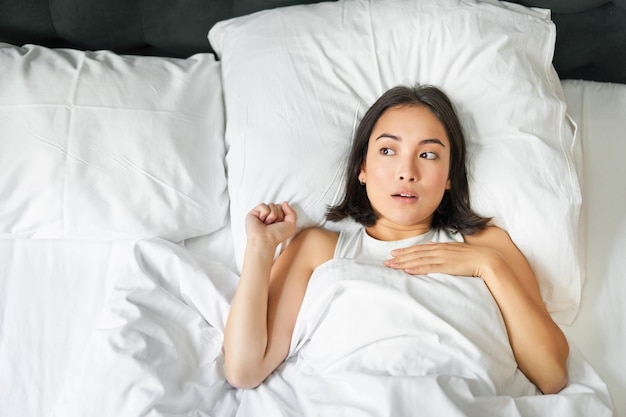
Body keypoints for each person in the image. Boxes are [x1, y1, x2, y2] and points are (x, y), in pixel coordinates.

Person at [223, 85, 569, 394]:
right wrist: (260, 247)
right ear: (362, 167)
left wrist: (488, 266)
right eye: (388, 151)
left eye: (428, 154)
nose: (407, 171)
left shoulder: (486, 245)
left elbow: (551, 375)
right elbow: (245, 369)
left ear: (450, 176)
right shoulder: (318, 248)